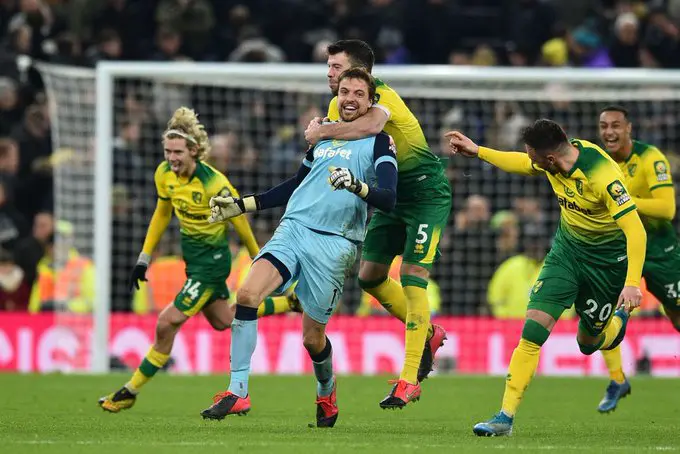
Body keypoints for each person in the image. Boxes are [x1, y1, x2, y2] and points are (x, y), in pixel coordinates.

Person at [200, 68, 398, 427]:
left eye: (359, 93)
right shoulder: (322, 136)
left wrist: (357, 186)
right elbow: (295, 184)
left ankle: (326, 390)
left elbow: (388, 198)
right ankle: (238, 390)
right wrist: (242, 205)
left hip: (335, 243)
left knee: (312, 338)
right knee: (246, 295)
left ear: (371, 102)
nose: (350, 98)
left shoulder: (380, 142)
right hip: (293, 229)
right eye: (345, 91)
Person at [446, 119, 646, 436]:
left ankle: (618, 322)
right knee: (533, 329)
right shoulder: (553, 160)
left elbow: (635, 229)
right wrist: (479, 150)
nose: (532, 163)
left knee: (588, 343)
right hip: (567, 254)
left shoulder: (601, 176)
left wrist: (632, 283)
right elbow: (521, 163)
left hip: (607, 265)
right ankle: (504, 417)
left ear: (550, 158)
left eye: (534, 158)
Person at [98, 107, 290, 413]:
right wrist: (143, 258)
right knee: (223, 320)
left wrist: (258, 258)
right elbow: (162, 214)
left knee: (166, 323)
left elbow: (241, 222)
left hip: (212, 264)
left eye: (178, 152)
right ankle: (290, 303)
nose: (171, 158)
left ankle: (129, 391)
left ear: (194, 151)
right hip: (193, 260)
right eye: (167, 151)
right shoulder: (164, 175)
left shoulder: (214, 184)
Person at [304, 39, 451, 407]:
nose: (330, 74)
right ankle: (428, 334)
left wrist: (322, 131)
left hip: (425, 194)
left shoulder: (384, 97)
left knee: (414, 278)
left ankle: (408, 380)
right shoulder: (337, 106)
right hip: (389, 196)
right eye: (329, 68)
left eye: (337, 67)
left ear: (363, 74)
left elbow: (370, 128)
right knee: (369, 277)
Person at [596, 105, 680, 412]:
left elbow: (667, 209)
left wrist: (624, 202)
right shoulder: (598, 162)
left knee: (677, 314)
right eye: (604, 126)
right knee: (601, 311)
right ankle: (617, 379)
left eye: (616, 125)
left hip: (658, 249)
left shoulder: (650, 157)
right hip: (618, 247)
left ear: (629, 128)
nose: (609, 132)